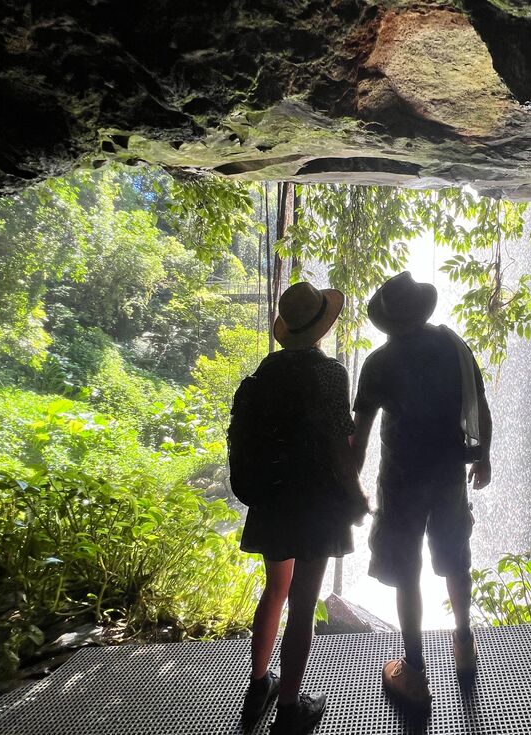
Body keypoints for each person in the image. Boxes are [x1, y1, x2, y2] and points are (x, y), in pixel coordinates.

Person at [351, 272, 493, 710]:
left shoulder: (379, 363)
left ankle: (413, 670)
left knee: (406, 568)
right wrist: (483, 457)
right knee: (455, 558)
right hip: (448, 473)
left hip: (401, 482)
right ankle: (464, 645)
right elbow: (480, 405)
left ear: (389, 321)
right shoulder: (453, 347)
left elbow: (360, 435)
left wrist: (351, 484)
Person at [231, 281, 368, 735]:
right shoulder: (330, 374)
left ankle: (258, 686)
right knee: (303, 603)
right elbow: (339, 446)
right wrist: (356, 495)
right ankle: (289, 710)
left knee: (274, 590)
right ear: (320, 328)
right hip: (316, 503)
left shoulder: (267, 369)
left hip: (272, 498)